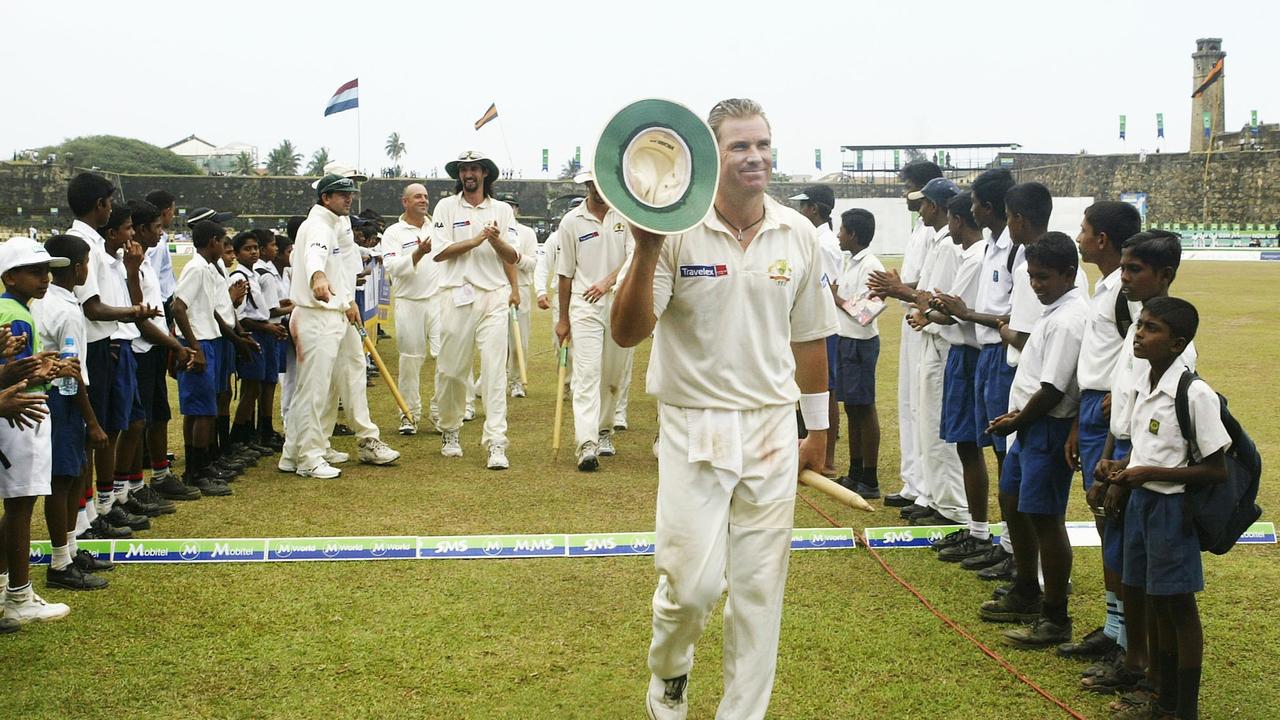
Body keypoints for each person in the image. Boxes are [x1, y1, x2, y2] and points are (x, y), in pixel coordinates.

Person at [611, 98, 837, 720]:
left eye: (762, 143)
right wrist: (647, 248)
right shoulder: (676, 230)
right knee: (692, 590)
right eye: (739, 146)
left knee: (760, 591)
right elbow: (628, 332)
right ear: (712, 155)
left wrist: (816, 430)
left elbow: (811, 338)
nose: (755, 156)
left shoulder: (798, 232)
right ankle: (670, 676)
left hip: (770, 424)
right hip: (694, 425)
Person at [1101, 297, 1225, 720]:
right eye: (1140, 325)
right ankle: (1161, 699)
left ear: (1178, 344)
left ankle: (1182, 708)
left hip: (1172, 511)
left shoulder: (1194, 394)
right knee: (1154, 601)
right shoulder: (1145, 384)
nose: (1139, 334)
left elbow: (1215, 470)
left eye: (1152, 329)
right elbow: (1146, 447)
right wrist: (1122, 467)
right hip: (1141, 504)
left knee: (1178, 607)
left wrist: (1148, 472)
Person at [1085, 230, 1196, 703]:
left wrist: (1125, 474)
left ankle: (1153, 674)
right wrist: (1106, 456)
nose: (1124, 277)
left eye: (1134, 270)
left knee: (1154, 585)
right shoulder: (1137, 330)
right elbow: (1123, 406)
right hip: (1125, 461)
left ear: (1165, 275)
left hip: (1148, 474)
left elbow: (1163, 428)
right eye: (1124, 268)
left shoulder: (1176, 348)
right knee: (1128, 571)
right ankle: (1133, 660)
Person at [982, 232, 1089, 649]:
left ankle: (1055, 616)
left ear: (1069, 273)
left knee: (1046, 521)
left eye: (1043, 277)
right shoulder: (1054, 309)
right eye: (1031, 277)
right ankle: (1026, 589)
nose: (1035, 285)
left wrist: (1018, 420)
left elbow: (1055, 390)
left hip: (1046, 427)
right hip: (1029, 425)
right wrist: (1017, 418)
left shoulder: (1069, 319)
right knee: (1014, 505)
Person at [1060, 201, 1142, 662]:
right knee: (1101, 516)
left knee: (1116, 518)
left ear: (1103, 239)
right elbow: (1097, 358)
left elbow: (1141, 351)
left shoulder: (1125, 292)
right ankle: (1114, 627)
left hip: (1114, 414)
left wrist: (1121, 392)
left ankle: (1129, 637)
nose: (1079, 237)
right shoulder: (1104, 285)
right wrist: (1077, 419)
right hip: (1091, 409)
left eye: (1084, 229)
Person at [929, 168, 1018, 578]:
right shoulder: (994, 249)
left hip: (996, 356)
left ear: (988, 207)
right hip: (982, 355)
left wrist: (962, 313)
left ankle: (1008, 544)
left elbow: (1010, 317)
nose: (971, 210)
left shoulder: (1013, 252)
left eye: (977, 202)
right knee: (972, 444)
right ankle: (984, 533)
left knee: (1002, 452)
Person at [65, 172, 156, 539]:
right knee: (94, 435)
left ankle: (96, 507)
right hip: (95, 345)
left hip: (106, 344)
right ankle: (86, 516)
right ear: (101, 205)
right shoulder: (82, 243)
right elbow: (92, 306)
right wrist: (134, 313)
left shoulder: (92, 244)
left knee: (108, 430)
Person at [431, 151, 520, 469]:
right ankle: (451, 430)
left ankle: (496, 442)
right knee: (452, 371)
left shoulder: (502, 210)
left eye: (474, 169)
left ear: (485, 174)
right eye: (464, 170)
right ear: (460, 175)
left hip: (493, 296)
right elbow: (440, 253)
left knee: (495, 372)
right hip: (457, 295)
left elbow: (512, 256)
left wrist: (495, 241)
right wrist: (476, 240)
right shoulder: (445, 207)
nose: (469, 174)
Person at [0, 237, 72, 627]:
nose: (45, 278)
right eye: (35, 272)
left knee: (17, 506)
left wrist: (39, 367)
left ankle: (6, 590)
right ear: (10, 276)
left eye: (47, 271)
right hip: (22, 414)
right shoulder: (15, 314)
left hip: (17, 411)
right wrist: (45, 372)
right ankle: (19, 596)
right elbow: (12, 371)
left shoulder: (12, 307)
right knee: (21, 505)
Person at [35, 234, 113, 589]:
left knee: (70, 476)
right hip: (62, 402)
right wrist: (93, 423)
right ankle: (60, 563)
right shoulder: (67, 311)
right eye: (86, 263)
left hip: (53, 398)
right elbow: (72, 375)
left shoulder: (46, 301)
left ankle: (70, 547)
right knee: (62, 482)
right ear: (77, 267)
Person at [279, 174, 366, 479]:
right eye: (342, 194)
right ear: (325, 198)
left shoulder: (331, 223)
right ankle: (309, 458)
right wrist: (317, 276)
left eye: (350, 194)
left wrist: (346, 299)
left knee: (315, 389)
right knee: (314, 391)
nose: (348, 198)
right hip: (316, 315)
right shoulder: (318, 226)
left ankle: (293, 453)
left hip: (327, 313)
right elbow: (313, 254)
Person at [924, 192, 992, 561]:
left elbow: (953, 312)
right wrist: (937, 307)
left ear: (956, 220)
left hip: (968, 355)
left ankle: (980, 531)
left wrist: (931, 310)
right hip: (964, 354)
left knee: (970, 444)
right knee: (965, 444)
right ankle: (977, 529)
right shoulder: (975, 255)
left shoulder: (975, 256)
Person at [120, 201, 198, 508]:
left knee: (159, 415)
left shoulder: (148, 259)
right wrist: (175, 345)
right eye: (157, 227)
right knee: (136, 422)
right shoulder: (130, 264)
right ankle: (132, 486)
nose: (162, 232)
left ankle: (161, 476)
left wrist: (168, 342)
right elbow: (138, 317)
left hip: (153, 347)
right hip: (139, 349)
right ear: (140, 230)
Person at [554, 170, 634, 471]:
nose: (597, 189)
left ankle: (604, 431)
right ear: (586, 185)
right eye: (591, 184)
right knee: (586, 373)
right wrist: (563, 319)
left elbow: (634, 257)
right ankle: (586, 443)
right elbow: (565, 273)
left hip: (620, 303)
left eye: (601, 183)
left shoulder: (625, 215)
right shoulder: (571, 221)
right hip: (584, 306)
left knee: (613, 376)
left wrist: (607, 282)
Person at [882, 161, 943, 511]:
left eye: (909, 186)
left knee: (924, 408)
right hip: (911, 317)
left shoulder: (939, 231)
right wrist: (893, 289)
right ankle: (913, 482)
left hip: (927, 320)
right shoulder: (921, 227)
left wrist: (898, 288)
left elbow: (929, 286)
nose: (905, 193)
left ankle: (929, 490)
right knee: (908, 403)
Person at [171, 221, 234, 495]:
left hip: (207, 339)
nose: (223, 247)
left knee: (200, 409)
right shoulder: (196, 268)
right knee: (203, 411)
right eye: (222, 242)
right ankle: (195, 472)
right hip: (199, 342)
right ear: (212, 242)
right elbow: (178, 306)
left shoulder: (207, 268)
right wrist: (194, 347)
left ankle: (201, 465)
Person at [831, 208, 883, 499]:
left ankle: (870, 478)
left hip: (860, 343)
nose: (838, 234)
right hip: (845, 340)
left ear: (853, 234)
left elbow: (867, 312)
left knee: (865, 408)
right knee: (851, 408)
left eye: (841, 229)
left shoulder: (871, 265)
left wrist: (835, 297)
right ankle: (855, 472)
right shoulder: (850, 262)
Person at [792, 184, 844, 476]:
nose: (801, 211)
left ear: (814, 208)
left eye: (804, 206)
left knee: (826, 389)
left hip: (822, 322)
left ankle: (827, 458)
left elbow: (826, 288)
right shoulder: (815, 237)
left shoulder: (822, 242)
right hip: (813, 318)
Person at [381, 183, 440, 435]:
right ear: (405, 202)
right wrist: (418, 253)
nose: (423, 200)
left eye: (426, 197)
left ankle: (441, 412)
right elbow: (392, 267)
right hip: (409, 302)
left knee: (445, 358)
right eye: (418, 197)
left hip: (438, 300)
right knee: (410, 361)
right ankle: (409, 414)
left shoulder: (438, 226)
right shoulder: (393, 232)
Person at [500, 193, 538, 399]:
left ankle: (516, 382)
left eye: (512, 206)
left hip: (520, 288)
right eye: (504, 205)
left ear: (517, 210)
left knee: (518, 340)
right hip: (496, 287)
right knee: (495, 339)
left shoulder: (527, 233)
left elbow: (532, 264)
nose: (509, 210)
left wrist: (515, 256)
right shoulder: (492, 231)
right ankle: (496, 379)